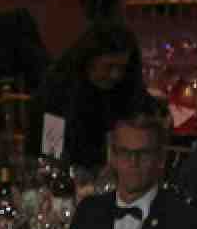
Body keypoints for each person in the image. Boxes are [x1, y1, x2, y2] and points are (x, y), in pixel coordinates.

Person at [66, 114, 197, 229]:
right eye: (125, 152)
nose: (133, 162)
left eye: (144, 153)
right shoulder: (88, 212)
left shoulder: (186, 220)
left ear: (161, 159)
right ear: (113, 158)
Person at [34, 20, 153, 170]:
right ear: (89, 60)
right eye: (109, 66)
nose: (116, 75)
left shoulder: (126, 86)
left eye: (122, 68)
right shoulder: (58, 90)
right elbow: (51, 153)